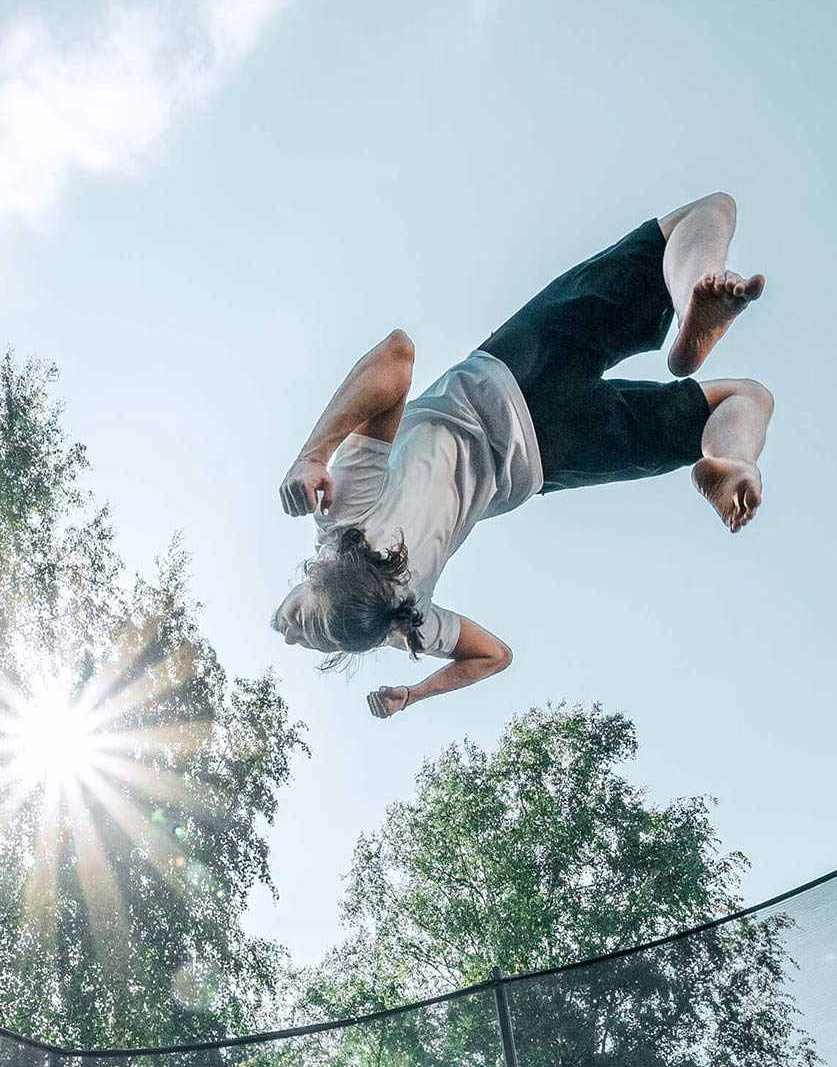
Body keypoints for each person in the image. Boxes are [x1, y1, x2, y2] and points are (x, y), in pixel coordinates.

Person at [270, 193, 773, 718]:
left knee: (749, 398)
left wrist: (415, 694)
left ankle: (734, 461)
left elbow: (494, 656)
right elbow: (397, 354)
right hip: (514, 371)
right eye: (305, 633)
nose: (290, 636)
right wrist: (312, 454)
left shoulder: (407, 620)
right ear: (320, 576)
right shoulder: (340, 522)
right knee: (703, 214)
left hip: (549, 458)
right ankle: (692, 294)